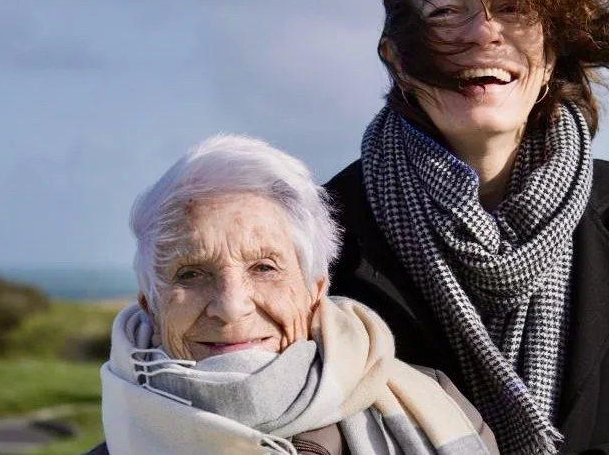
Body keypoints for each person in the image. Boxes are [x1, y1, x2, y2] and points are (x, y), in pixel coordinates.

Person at [325, 0, 609, 454]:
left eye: (514, 8)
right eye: (444, 11)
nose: (484, 32)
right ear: (395, 56)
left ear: (552, 51)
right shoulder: (325, 226)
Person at [88, 134, 497, 455]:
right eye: (191, 274)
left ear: (314, 292)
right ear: (151, 306)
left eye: (264, 268)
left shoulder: (436, 410)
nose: (231, 307)